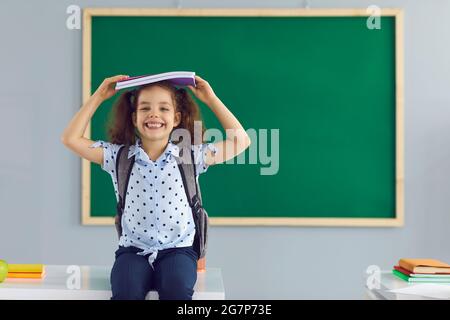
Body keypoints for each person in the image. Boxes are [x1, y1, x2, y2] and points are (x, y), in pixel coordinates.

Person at [61, 74, 251, 300]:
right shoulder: (118, 156)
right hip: (133, 251)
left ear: (177, 118)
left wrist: (211, 99)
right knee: (126, 291)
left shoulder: (190, 155)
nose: (154, 114)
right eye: (145, 108)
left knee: (177, 290)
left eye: (164, 108)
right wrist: (99, 96)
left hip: (179, 250)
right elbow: (70, 138)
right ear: (133, 118)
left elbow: (241, 141)